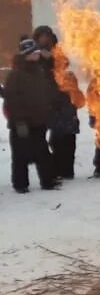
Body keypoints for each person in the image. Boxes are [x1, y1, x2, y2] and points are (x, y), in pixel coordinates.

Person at [4, 38, 59, 192]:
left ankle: (48, 181)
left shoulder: (39, 70)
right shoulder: (16, 75)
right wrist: (19, 122)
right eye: (33, 53)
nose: (37, 55)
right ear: (25, 55)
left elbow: (43, 93)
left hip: (39, 121)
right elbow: (12, 100)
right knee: (20, 155)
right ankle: (21, 184)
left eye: (37, 52)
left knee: (42, 152)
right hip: (22, 124)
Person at [33, 26, 85, 180]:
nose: (44, 39)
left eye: (46, 36)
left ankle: (67, 171)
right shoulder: (35, 56)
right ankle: (56, 170)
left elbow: (64, 63)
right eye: (41, 36)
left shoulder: (58, 53)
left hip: (65, 102)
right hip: (48, 102)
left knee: (68, 140)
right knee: (55, 140)